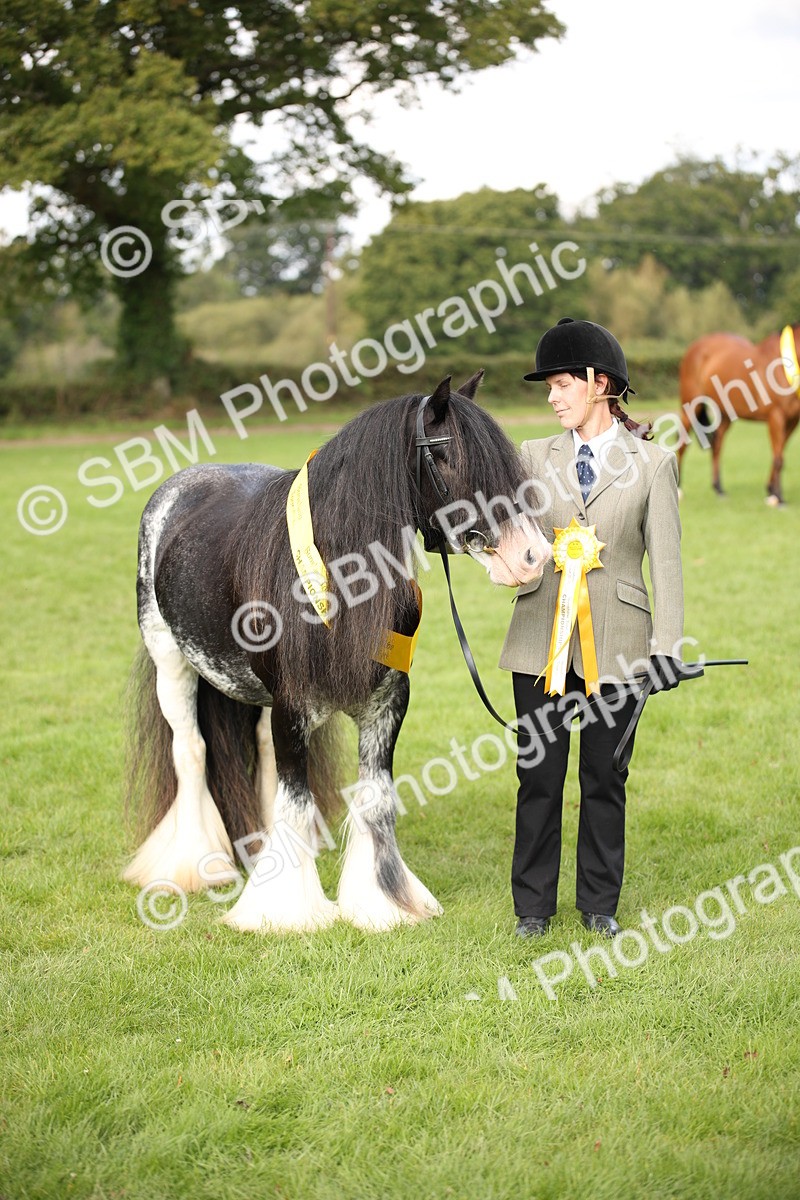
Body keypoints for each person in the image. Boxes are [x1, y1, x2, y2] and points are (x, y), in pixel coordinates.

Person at [499, 317, 692, 939]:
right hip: (539, 641)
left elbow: (666, 562)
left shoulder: (656, 464)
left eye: (560, 385)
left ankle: (599, 904)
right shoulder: (531, 457)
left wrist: (667, 648)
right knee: (539, 775)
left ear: (598, 383)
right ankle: (533, 908)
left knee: (605, 777)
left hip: (621, 644)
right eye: (548, 388)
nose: (552, 398)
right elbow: (505, 537)